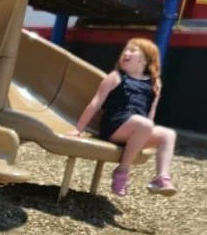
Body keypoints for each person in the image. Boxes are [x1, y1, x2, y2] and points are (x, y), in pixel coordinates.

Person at [69, 38, 177, 197]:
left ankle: (161, 177)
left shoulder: (155, 83)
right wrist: (78, 129)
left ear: (145, 59)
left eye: (132, 51)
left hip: (139, 128)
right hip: (114, 128)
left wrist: (145, 136)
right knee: (144, 124)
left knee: (168, 134)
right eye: (125, 50)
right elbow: (95, 103)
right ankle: (122, 171)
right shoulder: (115, 77)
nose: (126, 53)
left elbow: (150, 113)